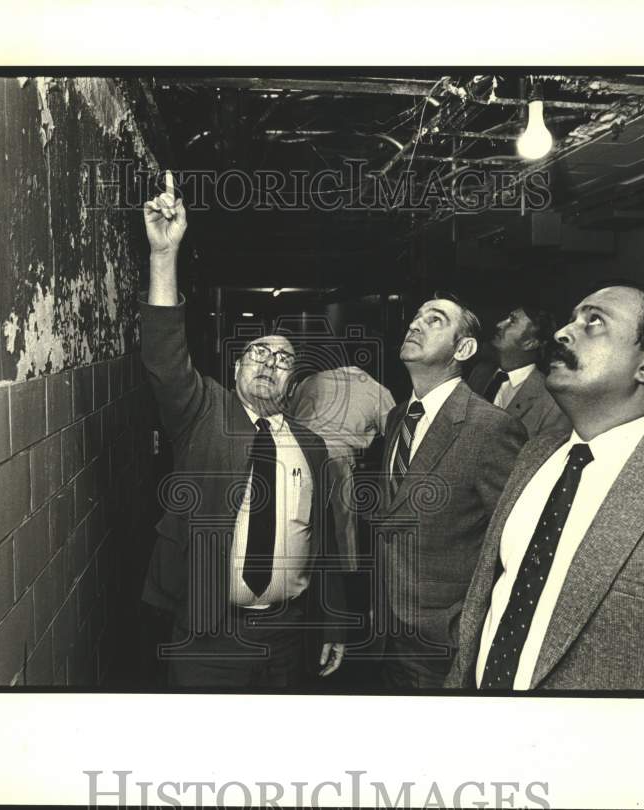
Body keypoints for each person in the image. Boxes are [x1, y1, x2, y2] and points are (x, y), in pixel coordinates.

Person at [446, 282, 644, 691]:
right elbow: (493, 599)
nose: (562, 333)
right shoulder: (536, 454)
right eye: (573, 318)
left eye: (594, 322)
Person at [139, 171, 347, 688]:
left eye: (283, 359)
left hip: (288, 636)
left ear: (293, 382)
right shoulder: (204, 411)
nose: (270, 362)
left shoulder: (313, 447)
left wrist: (332, 621)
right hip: (208, 634)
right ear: (236, 369)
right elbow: (165, 358)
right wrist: (164, 256)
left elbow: (326, 541)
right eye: (258, 351)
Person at [374, 292, 527, 689]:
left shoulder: (489, 427)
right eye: (415, 317)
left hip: (447, 642)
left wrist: (466, 627)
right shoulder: (396, 417)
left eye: (435, 319)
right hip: (390, 634)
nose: (415, 324)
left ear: (464, 347)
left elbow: (515, 543)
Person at [288, 365, 395, 567]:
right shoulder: (377, 390)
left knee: (295, 521)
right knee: (342, 530)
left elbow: (289, 417)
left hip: (297, 450)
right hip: (336, 456)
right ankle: (346, 579)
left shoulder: (310, 381)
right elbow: (394, 434)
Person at [468, 304, 571, 438]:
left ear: (530, 343)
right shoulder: (480, 372)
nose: (499, 324)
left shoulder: (552, 403)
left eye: (512, 321)